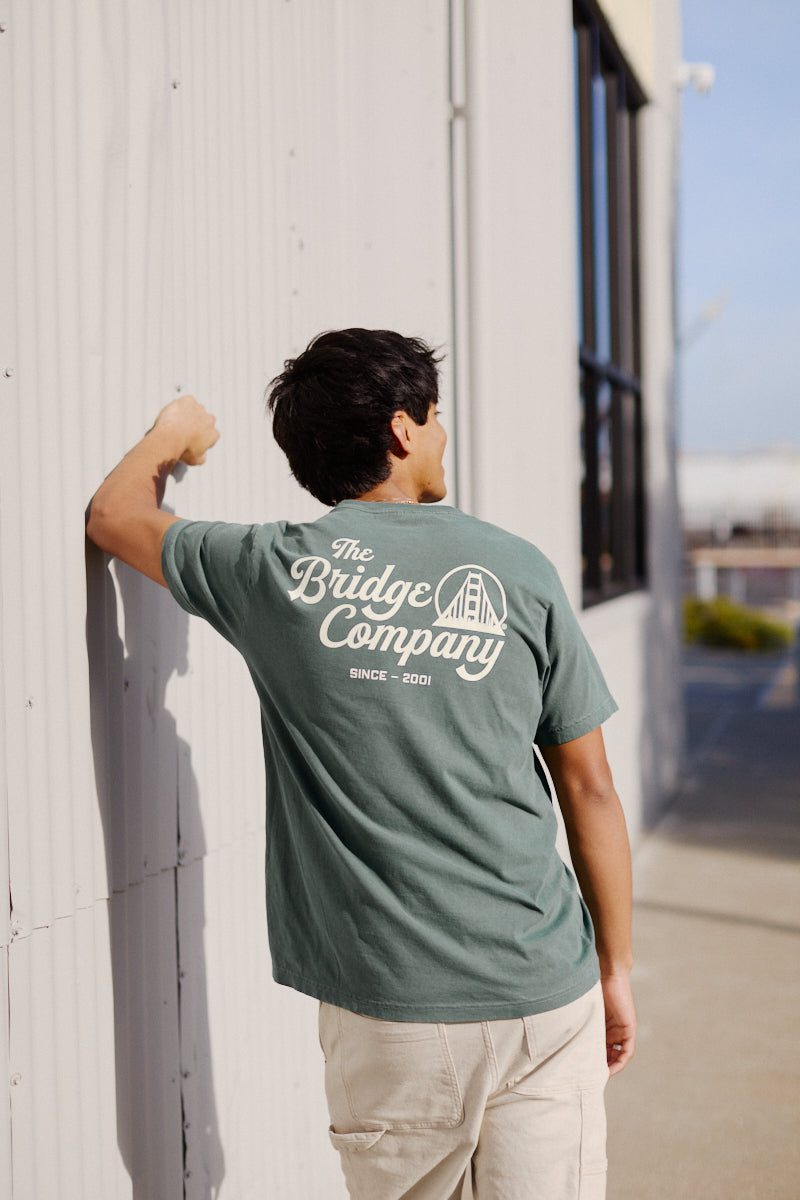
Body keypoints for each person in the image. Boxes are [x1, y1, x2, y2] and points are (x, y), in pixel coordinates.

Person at [87, 328, 636, 1199]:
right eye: (435, 416)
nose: (443, 435)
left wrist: (172, 436)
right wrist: (615, 969)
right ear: (401, 429)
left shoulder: (270, 570)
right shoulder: (518, 570)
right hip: (542, 987)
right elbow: (590, 787)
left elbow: (114, 517)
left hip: (391, 1009)